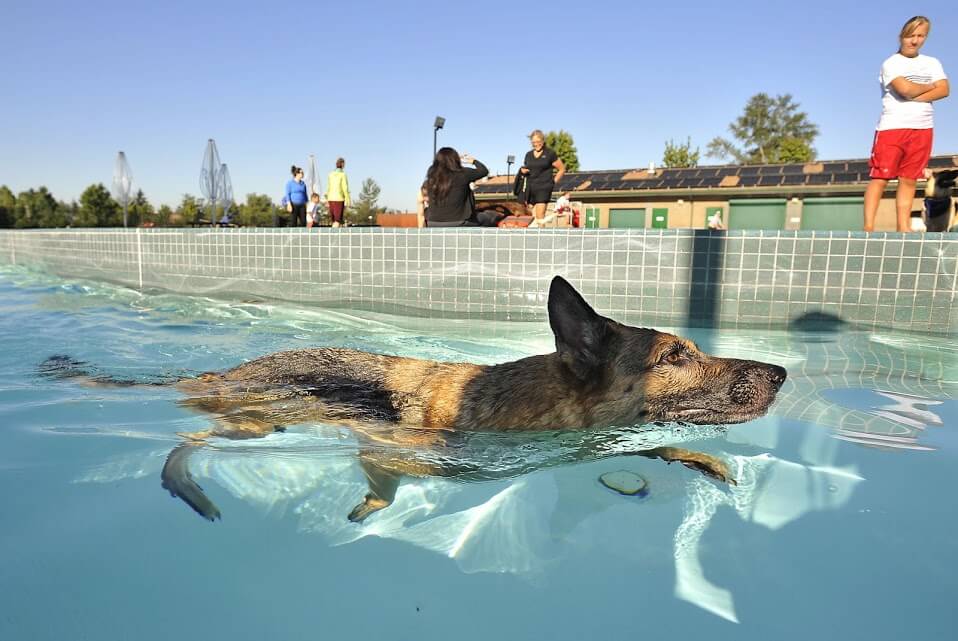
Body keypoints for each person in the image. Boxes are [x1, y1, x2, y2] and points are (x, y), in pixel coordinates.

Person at [863, 16, 949, 232]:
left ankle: (903, 228)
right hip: (892, 128)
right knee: (880, 178)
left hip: (922, 129)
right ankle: (868, 227)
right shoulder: (891, 63)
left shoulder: (932, 62)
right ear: (902, 35)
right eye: (911, 35)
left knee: (909, 179)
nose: (915, 40)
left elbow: (944, 90)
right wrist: (929, 87)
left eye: (921, 36)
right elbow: (905, 90)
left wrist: (918, 91)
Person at [423, 147, 498, 227]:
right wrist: (473, 161)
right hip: (460, 222)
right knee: (489, 217)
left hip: (432, 222)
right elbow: (484, 171)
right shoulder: (463, 173)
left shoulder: (432, 178)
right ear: (455, 159)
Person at [520, 129, 565, 223]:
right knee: (528, 217)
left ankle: (540, 237)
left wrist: (552, 182)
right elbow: (527, 168)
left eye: (538, 142)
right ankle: (529, 237)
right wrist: (523, 170)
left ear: (543, 141)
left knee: (540, 218)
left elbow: (561, 169)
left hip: (543, 188)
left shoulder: (550, 153)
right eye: (533, 142)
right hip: (530, 188)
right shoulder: (528, 155)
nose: (536, 144)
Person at [326, 157, 351, 228]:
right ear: (342, 164)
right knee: (337, 220)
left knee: (334, 220)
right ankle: (333, 237)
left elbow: (328, 187)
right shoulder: (343, 175)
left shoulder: (330, 174)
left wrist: (327, 199)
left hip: (330, 198)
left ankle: (334, 236)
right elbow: (345, 188)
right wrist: (348, 199)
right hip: (339, 199)